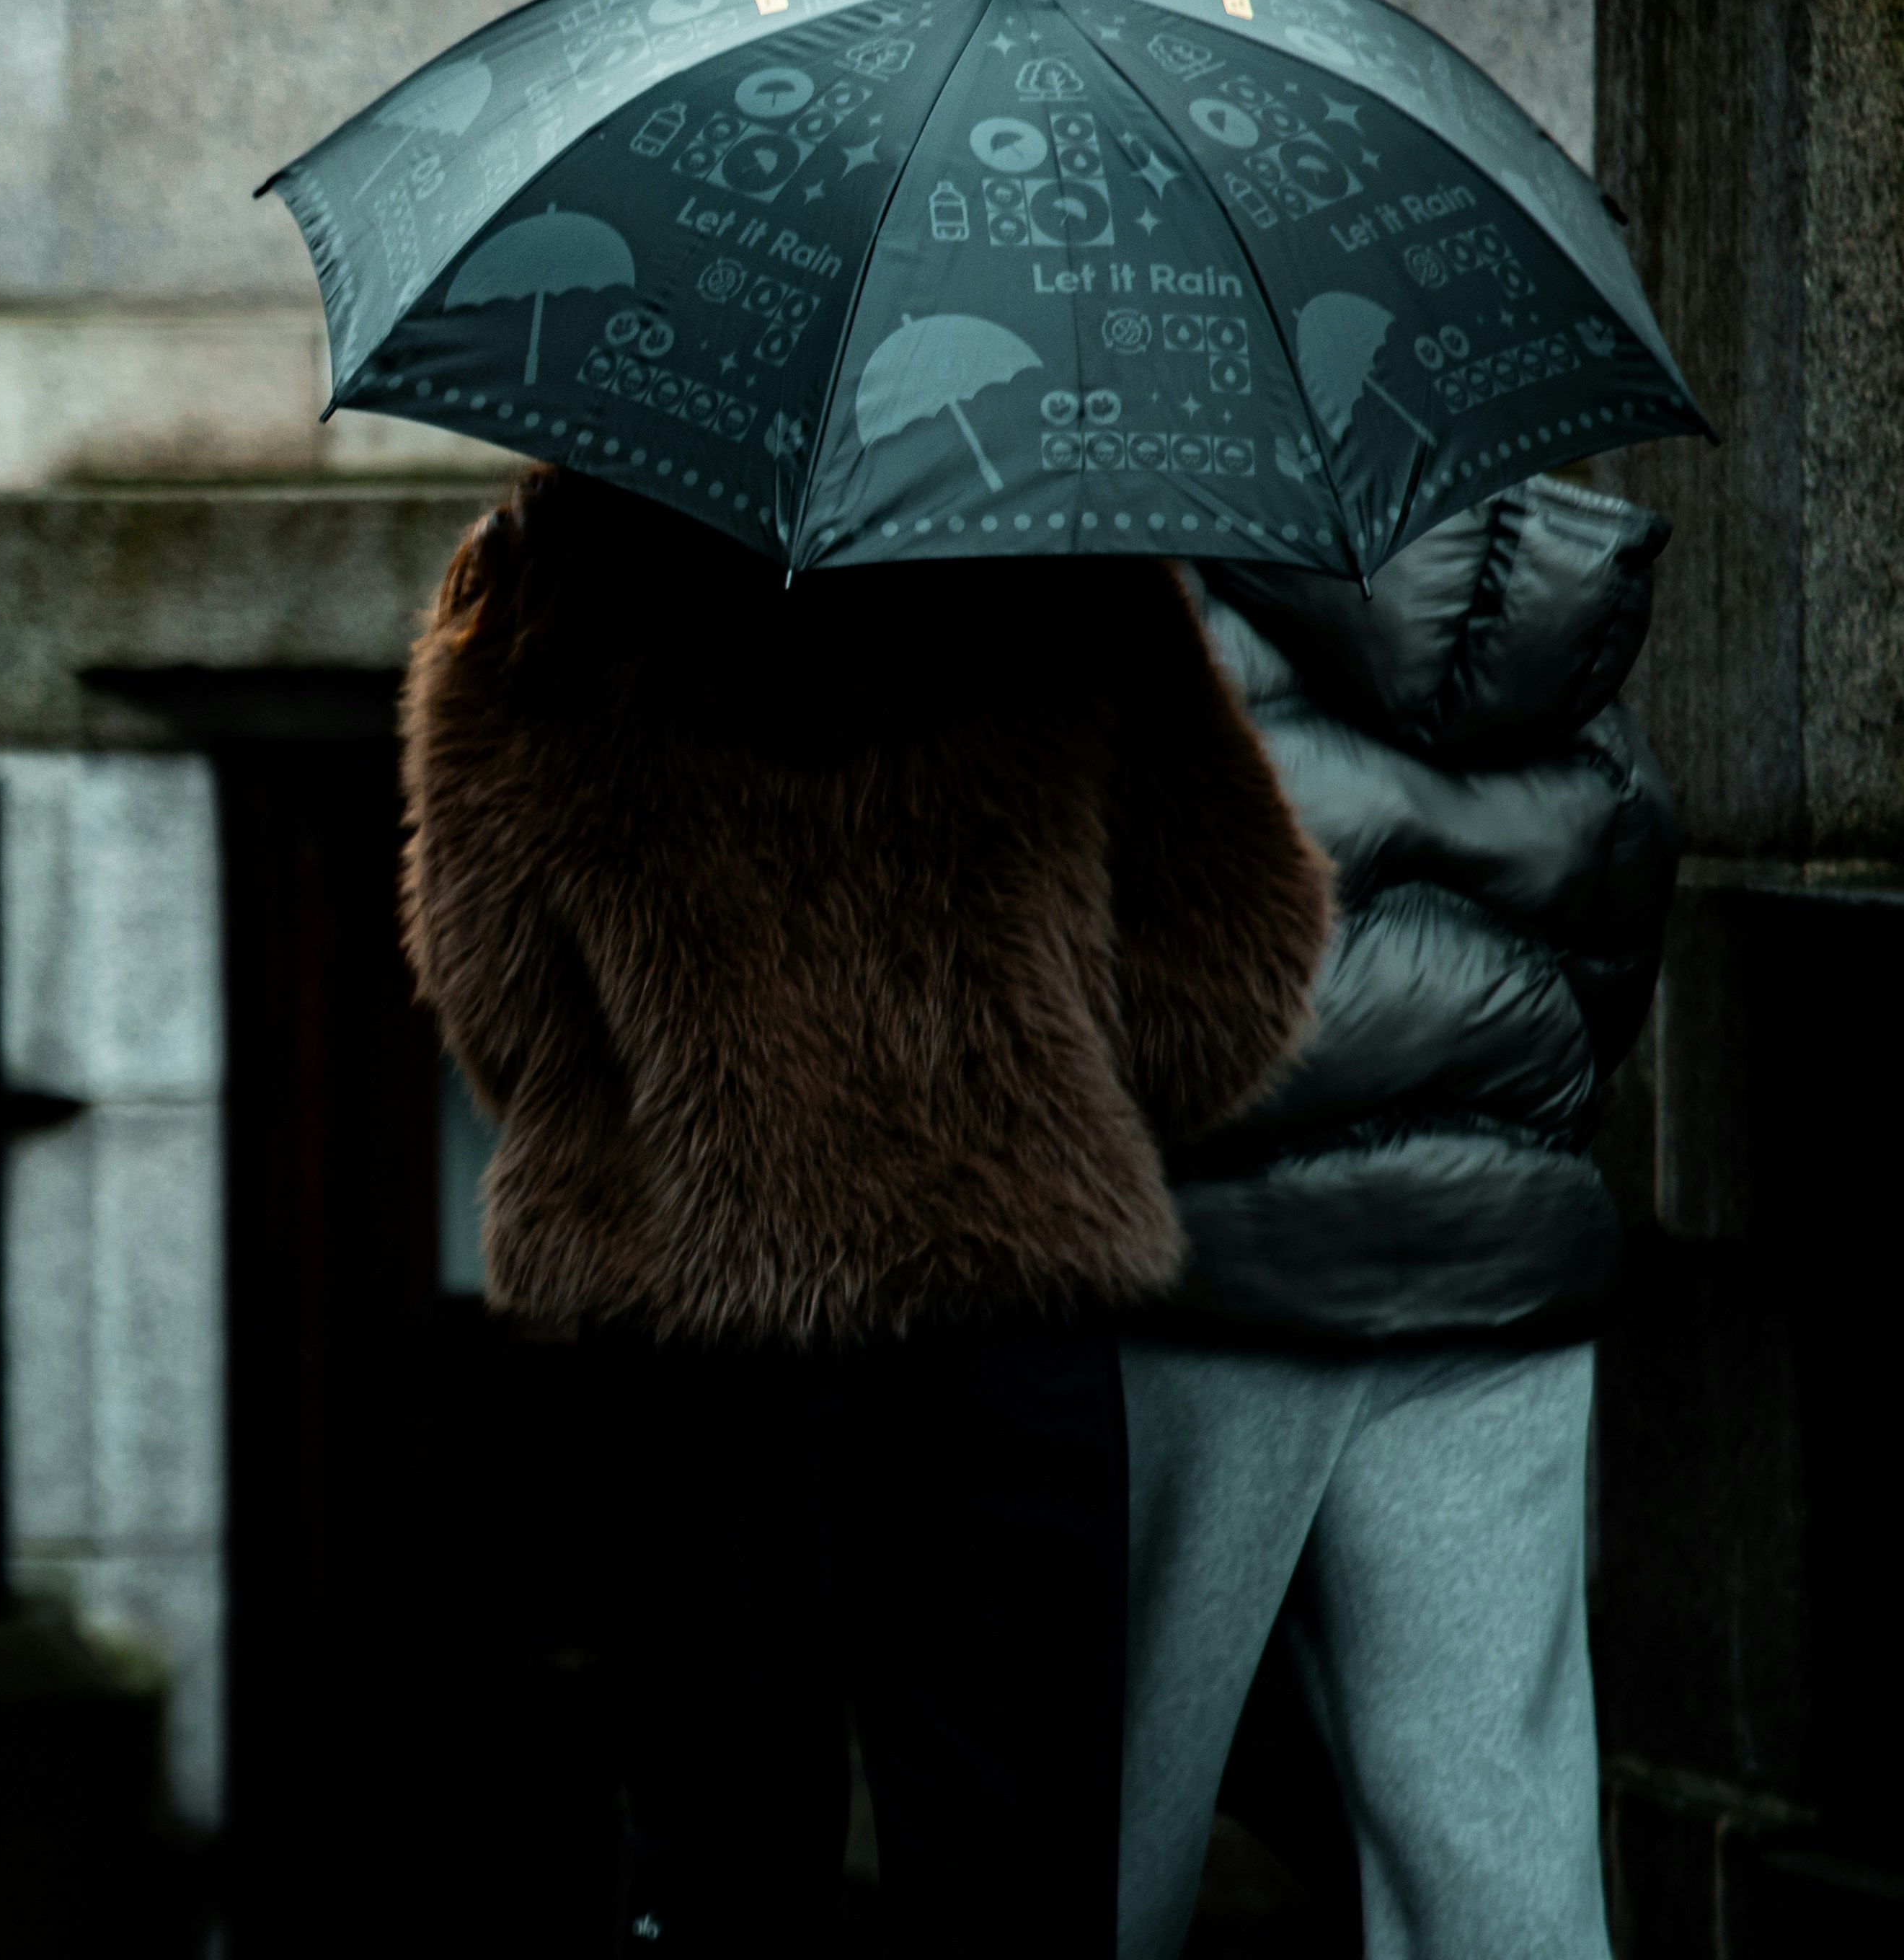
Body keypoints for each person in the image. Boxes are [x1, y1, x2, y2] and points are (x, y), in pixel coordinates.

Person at [397, 464, 1334, 1954]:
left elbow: (497, 997)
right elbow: (1245, 963)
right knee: (1012, 1859)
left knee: (714, 1851)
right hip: (999, 1308)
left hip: (683, 1323)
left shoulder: (542, 583)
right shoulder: (1068, 558)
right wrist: (1034, 1091)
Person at [1122, 480, 1678, 1960]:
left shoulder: (1135, 593)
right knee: (1496, 1865)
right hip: (1490, 1270)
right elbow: (1620, 908)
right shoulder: (1547, 591)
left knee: (1088, 1851)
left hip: (1202, 1286)